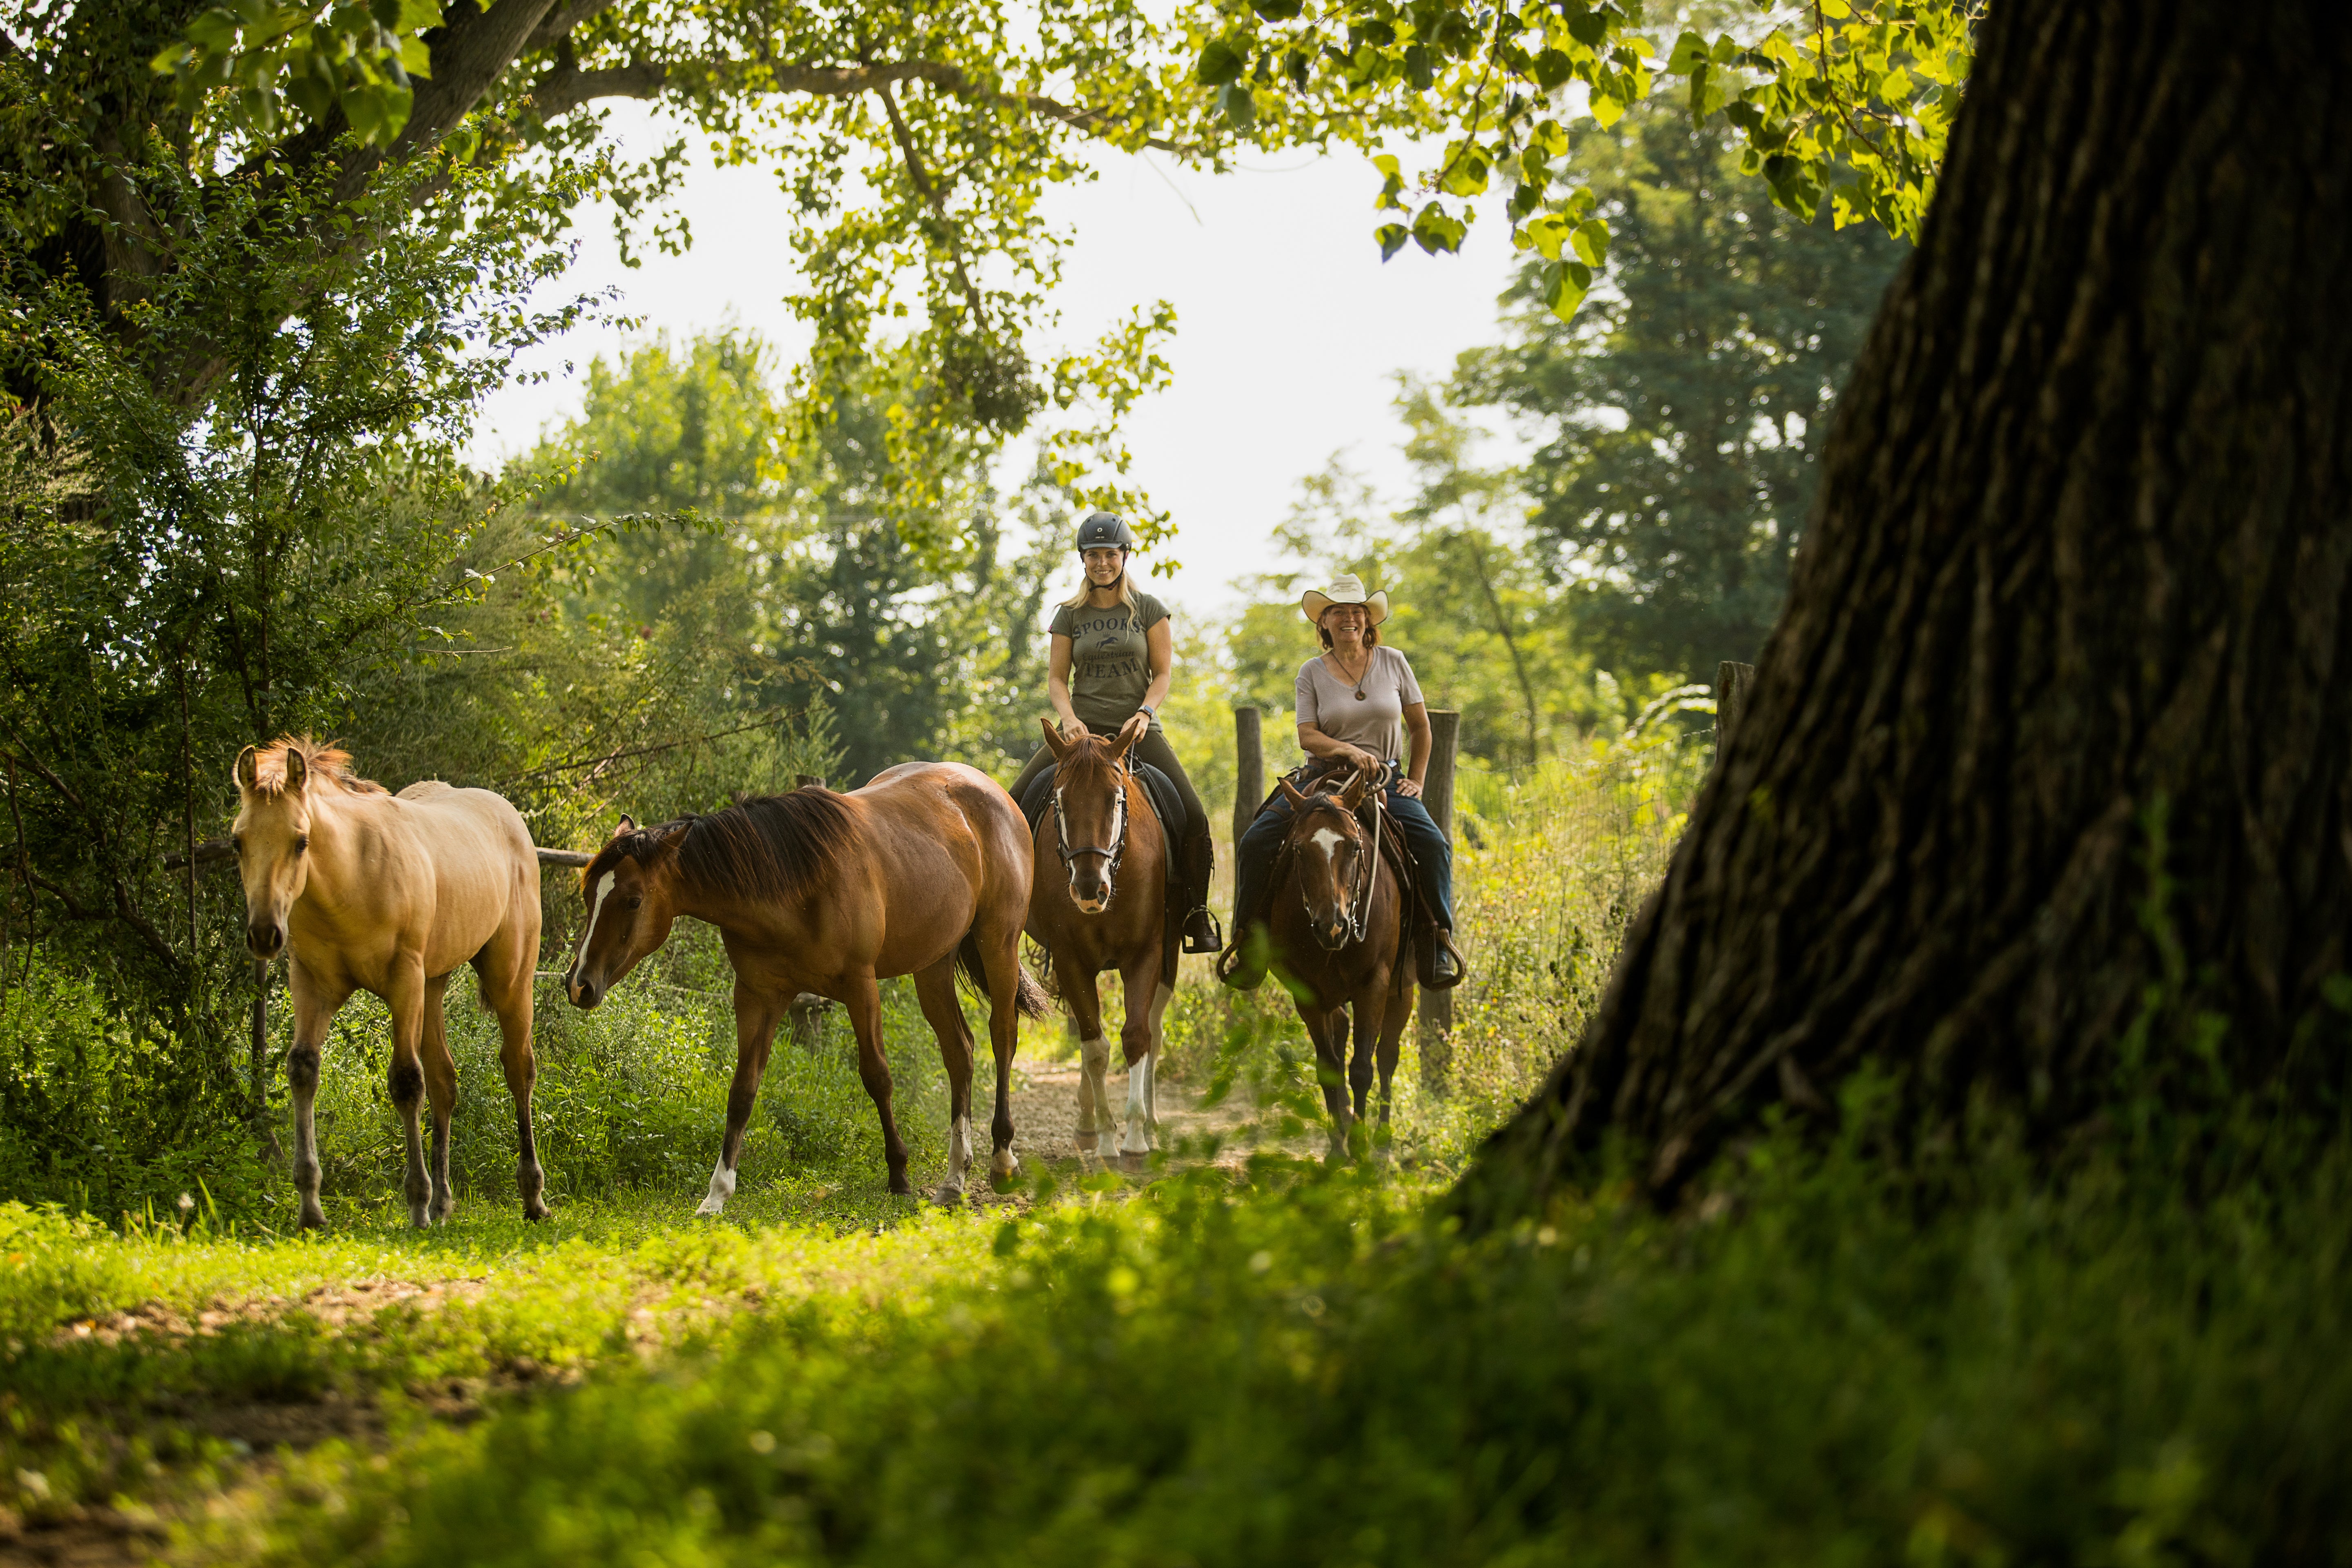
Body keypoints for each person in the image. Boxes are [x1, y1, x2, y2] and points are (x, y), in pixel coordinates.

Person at [1221, 574, 1462, 990]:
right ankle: (1249, 942)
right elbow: (1307, 735)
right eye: (1338, 613)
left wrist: (1417, 781)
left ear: (1368, 621)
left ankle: (1437, 940)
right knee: (1255, 843)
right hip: (1323, 776)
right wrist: (1348, 751)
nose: (1349, 619)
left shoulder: (1394, 662)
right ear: (1325, 623)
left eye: (1356, 612)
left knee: (1434, 845)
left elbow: (1421, 729)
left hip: (1384, 779)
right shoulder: (1311, 672)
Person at [1007, 511, 1223, 953]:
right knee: (1010, 806)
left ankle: (1195, 916)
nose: (1101, 563)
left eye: (1109, 554)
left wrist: (1145, 713)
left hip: (1136, 730)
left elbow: (1162, 674)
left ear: (1125, 556)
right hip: (1081, 732)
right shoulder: (1068, 614)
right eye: (1093, 555)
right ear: (1082, 560)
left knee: (1195, 816)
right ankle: (1011, 910)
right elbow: (1056, 678)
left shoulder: (1148, 609)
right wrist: (1067, 718)